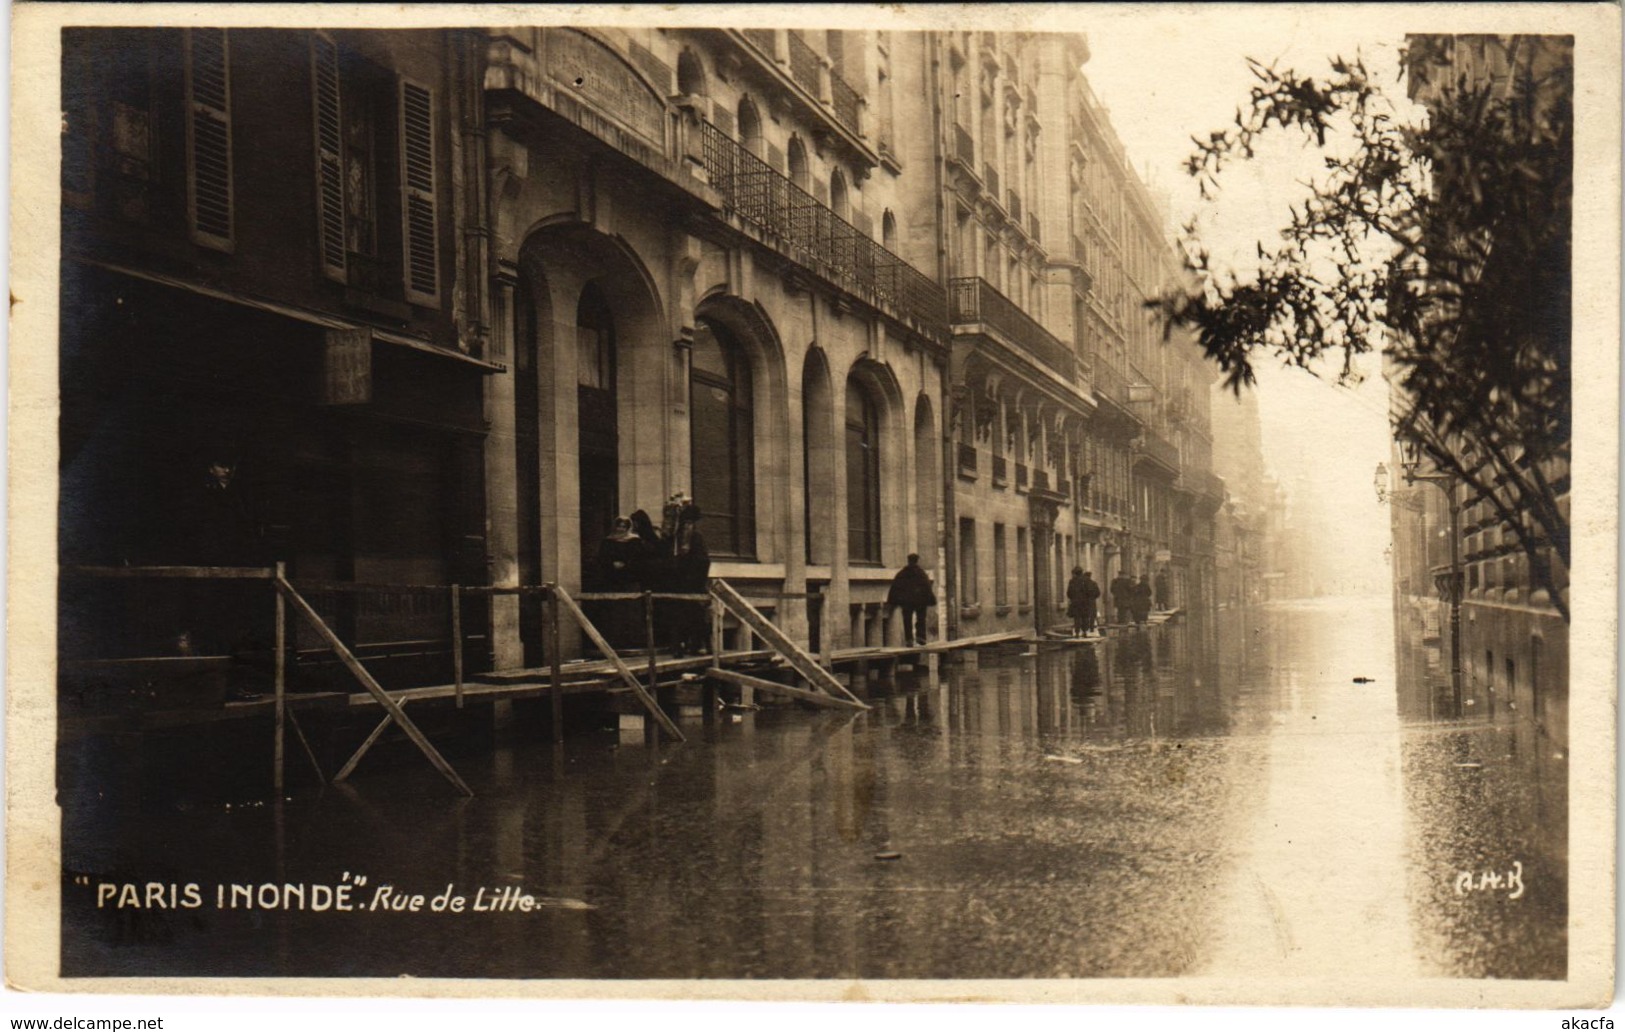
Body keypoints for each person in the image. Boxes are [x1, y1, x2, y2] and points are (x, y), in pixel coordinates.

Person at [669, 500, 711, 656]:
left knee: (696, 616)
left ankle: (698, 645)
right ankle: (681, 646)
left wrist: (695, 578)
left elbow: (703, 561)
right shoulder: (678, 537)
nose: (687, 526)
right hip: (682, 584)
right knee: (682, 616)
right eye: (685, 523)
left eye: (689, 523)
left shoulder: (695, 537)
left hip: (694, 583)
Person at [886, 554, 937, 647]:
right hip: (920, 601)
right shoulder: (921, 573)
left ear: (908, 560)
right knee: (921, 619)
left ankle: (909, 639)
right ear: (917, 561)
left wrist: (892, 601)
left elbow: (895, 587)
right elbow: (927, 587)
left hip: (907, 602)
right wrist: (930, 600)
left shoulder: (902, 573)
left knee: (907, 620)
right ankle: (921, 637)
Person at [1066, 568, 1100, 638]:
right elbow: (1094, 592)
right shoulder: (1088, 581)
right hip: (1086, 603)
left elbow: (1069, 593)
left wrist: (1073, 598)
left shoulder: (1072, 581)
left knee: (1077, 618)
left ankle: (1077, 633)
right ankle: (1085, 632)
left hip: (1076, 603)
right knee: (1085, 617)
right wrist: (1090, 599)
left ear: (1074, 573)